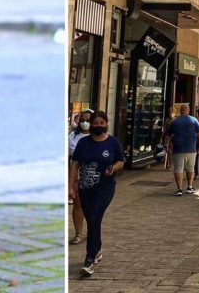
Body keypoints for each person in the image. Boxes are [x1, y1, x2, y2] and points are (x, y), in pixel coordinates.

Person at [69, 111, 125, 278]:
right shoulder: (83, 143)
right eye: (95, 123)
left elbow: (121, 161)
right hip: (85, 188)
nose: (98, 126)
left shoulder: (113, 143)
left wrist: (113, 168)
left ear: (107, 124)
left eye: (102, 123)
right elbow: (75, 164)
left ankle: (89, 259)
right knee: (93, 220)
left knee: (94, 218)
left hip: (105, 187)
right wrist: (71, 185)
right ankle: (97, 248)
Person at [164, 104, 199, 196]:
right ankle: (189, 187)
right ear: (188, 110)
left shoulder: (174, 121)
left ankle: (179, 189)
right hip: (191, 149)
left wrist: (166, 145)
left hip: (178, 148)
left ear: (180, 111)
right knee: (190, 168)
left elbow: (168, 135)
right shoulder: (194, 120)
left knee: (178, 169)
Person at [68, 110, 93, 245]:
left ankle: (92, 231)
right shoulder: (73, 136)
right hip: (77, 172)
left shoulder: (97, 136)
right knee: (78, 204)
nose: (85, 123)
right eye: (83, 119)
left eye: (88, 120)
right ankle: (78, 233)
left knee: (91, 205)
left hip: (93, 174)